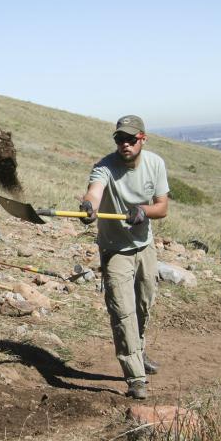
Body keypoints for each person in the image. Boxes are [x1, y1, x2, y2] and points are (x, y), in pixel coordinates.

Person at [79, 115, 170, 400]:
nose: (125, 144)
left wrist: (143, 211)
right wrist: (88, 206)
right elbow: (95, 191)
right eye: (120, 139)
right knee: (122, 311)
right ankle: (135, 376)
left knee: (143, 305)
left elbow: (162, 206)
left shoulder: (155, 164)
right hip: (116, 249)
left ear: (143, 138)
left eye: (131, 139)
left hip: (144, 247)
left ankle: (138, 351)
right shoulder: (104, 166)